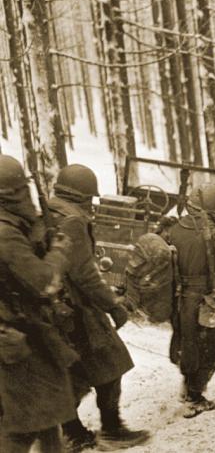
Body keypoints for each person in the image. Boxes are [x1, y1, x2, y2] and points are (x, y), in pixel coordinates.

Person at [48, 164, 149, 451]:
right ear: (82, 195)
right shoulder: (72, 220)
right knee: (111, 363)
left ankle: (72, 432)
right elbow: (84, 273)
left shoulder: (49, 211)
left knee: (73, 371)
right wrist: (112, 305)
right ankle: (112, 430)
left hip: (57, 307)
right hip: (78, 308)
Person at [0, 154, 78, 453]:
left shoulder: (11, 227)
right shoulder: (6, 235)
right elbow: (43, 281)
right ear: (11, 194)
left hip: (26, 332)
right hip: (17, 337)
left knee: (47, 416)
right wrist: (58, 251)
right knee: (23, 426)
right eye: (22, 189)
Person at [164, 183, 215, 418]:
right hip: (206, 300)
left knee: (187, 342)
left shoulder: (173, 230)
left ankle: (189, 387)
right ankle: (195, 396)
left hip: (179, 300)